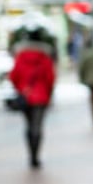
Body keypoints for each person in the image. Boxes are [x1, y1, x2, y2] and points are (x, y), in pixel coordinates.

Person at [9, 28, 57, 169]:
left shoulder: (20, 56)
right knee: (37, 126)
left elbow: (13, 76)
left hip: (25, 95)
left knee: (29, 126)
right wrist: (49, 93)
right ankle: (36, 156)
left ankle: (31, 154)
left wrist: (21, 88)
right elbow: (50, 78)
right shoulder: (44, 57)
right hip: (41, 97)